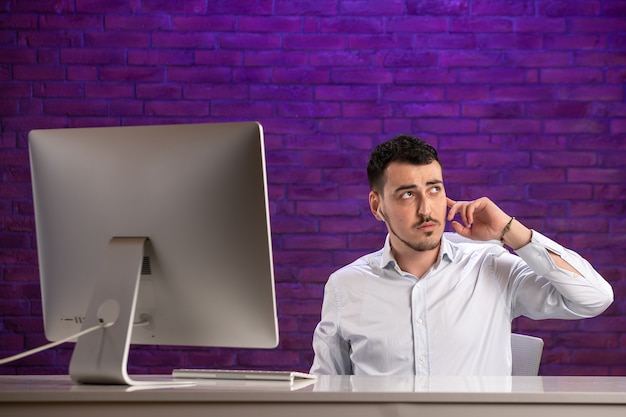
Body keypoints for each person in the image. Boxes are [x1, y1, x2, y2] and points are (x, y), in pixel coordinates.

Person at [309, 135, 613, 376]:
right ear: (377, 206)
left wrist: (510, 231)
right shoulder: (345, 286)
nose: (426, 209)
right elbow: (324, 392)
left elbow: (595, 297)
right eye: (407, 194)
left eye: (434, 189)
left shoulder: (489, 265)